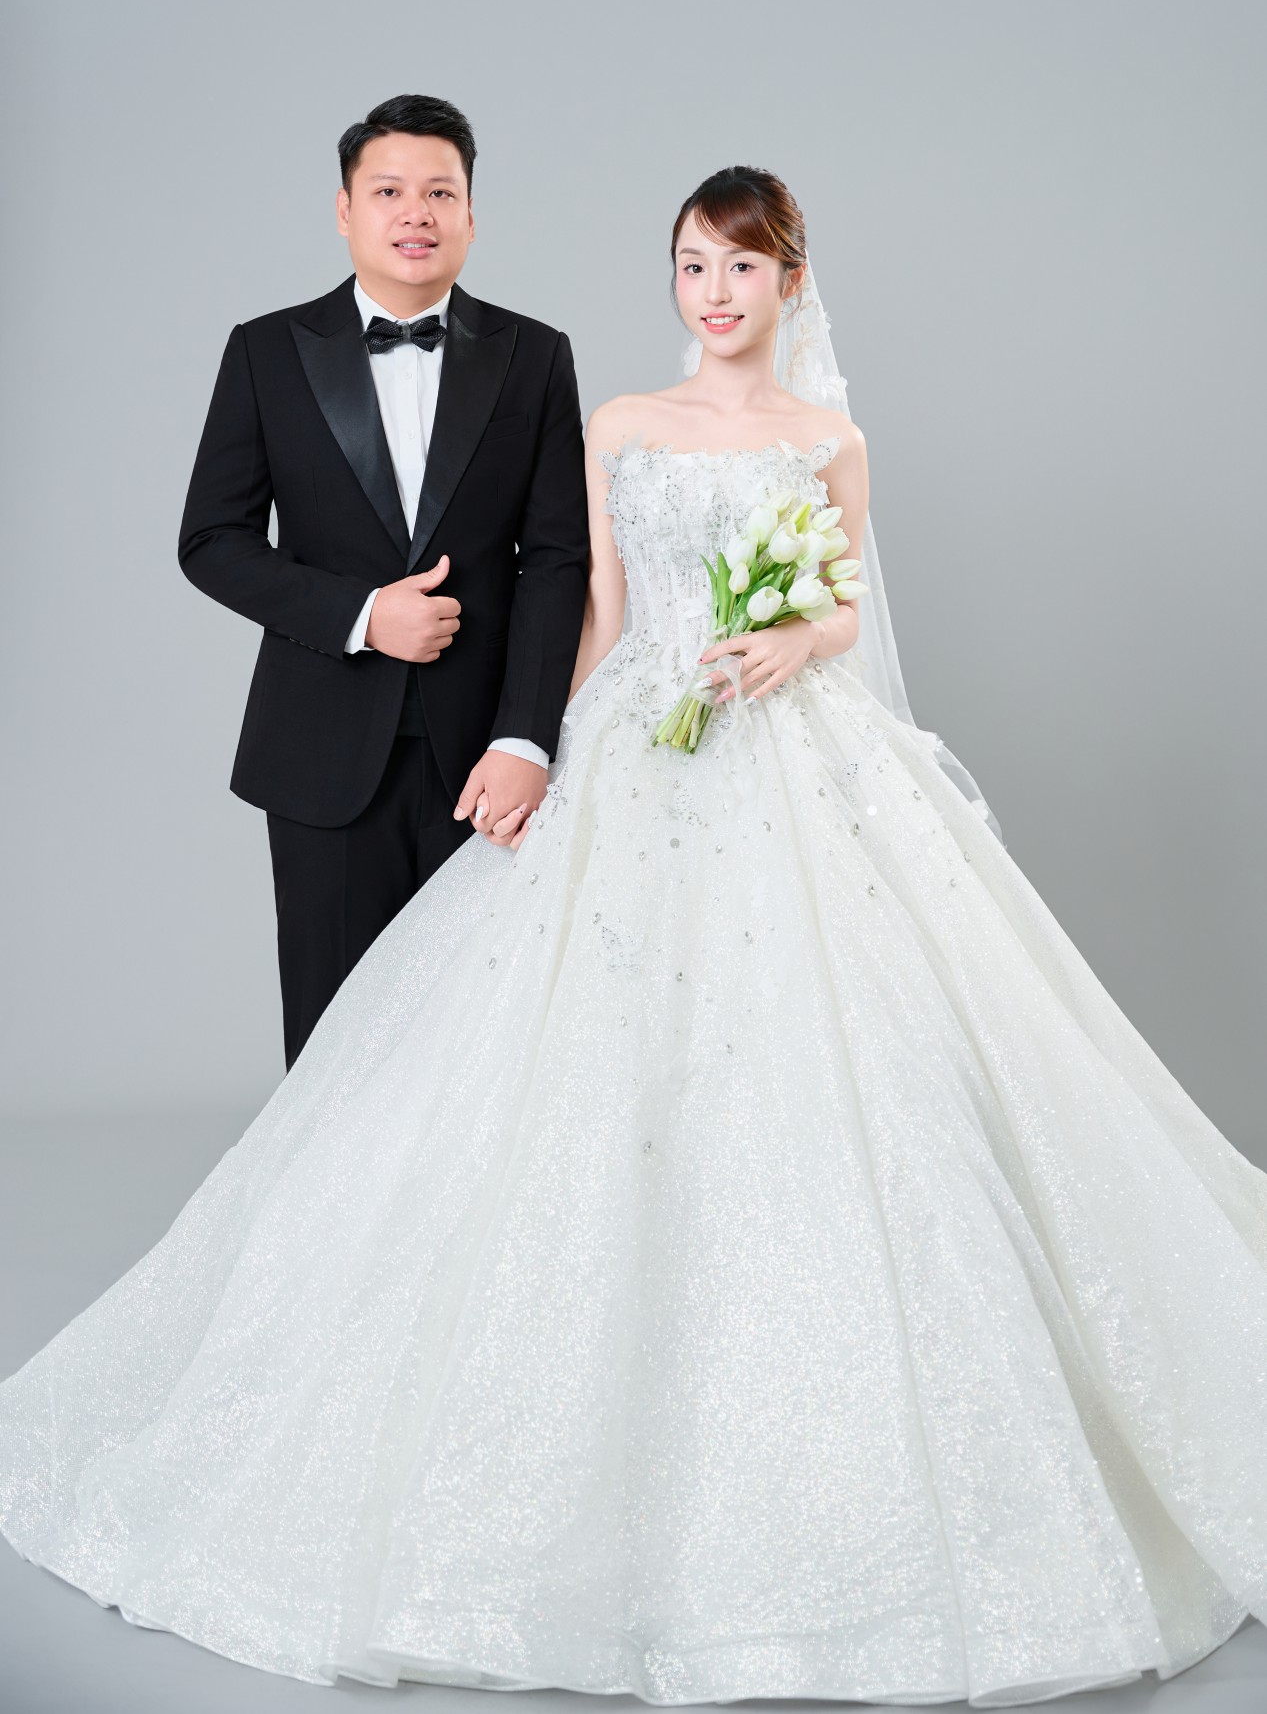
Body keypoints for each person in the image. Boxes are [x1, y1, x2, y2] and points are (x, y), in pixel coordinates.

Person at [2, 166, 1266, 1708]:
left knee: (855, 1069)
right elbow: (593, 605)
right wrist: (535, 741)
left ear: (788, 282)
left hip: (791, 751)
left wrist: (786, 637)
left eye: (739, 268)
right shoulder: (616, 423)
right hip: (636, 742)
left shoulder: (830, 439)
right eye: (689, 266)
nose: (713, 294)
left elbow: (845, 611)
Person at [178, 94, 589, 1068]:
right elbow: (212, 540)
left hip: (484, 760)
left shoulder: (535, 355)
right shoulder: (266, 351)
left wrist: (526, 739)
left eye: (440, 193)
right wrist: (362, 614)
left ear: (471, 215)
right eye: (390, 191)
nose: (417, 213)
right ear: (344, 210)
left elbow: (557, 559)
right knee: (334, 1047)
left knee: (480, 1048)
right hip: (319, 751)